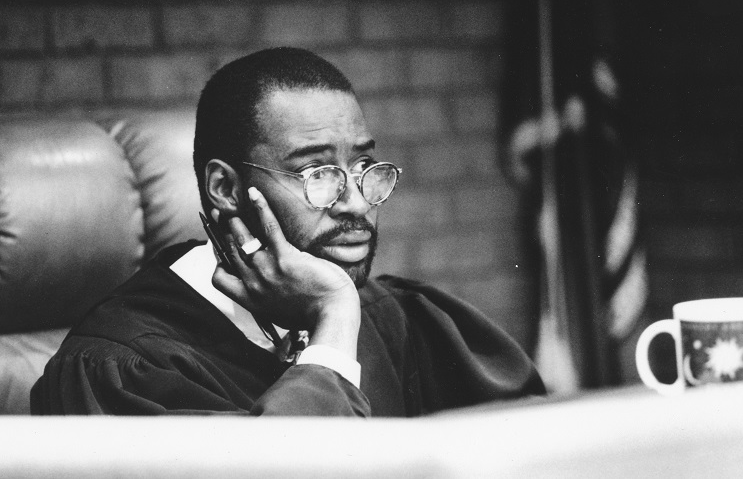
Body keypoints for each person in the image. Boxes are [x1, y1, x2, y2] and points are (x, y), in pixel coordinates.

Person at [31, 47, 545, 416]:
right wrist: (334, 323)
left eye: (364, 167)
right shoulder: (121, 367)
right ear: (225, 189)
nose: (356, 203)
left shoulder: (393, 318)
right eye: (318, 174)